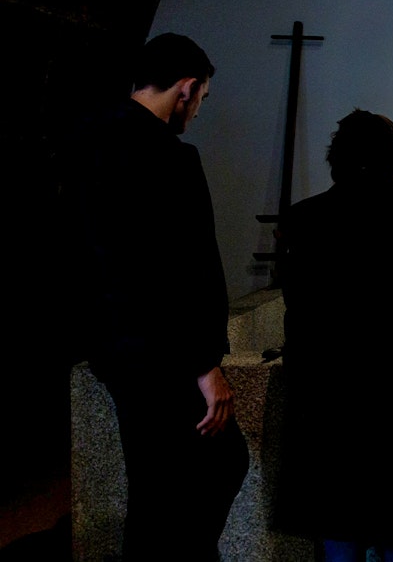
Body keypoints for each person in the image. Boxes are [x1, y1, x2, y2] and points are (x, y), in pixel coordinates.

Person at [57, 32, 249, 561]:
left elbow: (94, 256)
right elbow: (179, 270)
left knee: (156, 487)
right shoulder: (168, 157)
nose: (197, 112)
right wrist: (205, 364)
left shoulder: (84, 142)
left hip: (112, 346)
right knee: (215, 466)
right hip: (164, 353)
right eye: (202, 98)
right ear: (186, 88)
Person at [274, 108, 393, 562]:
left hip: (329, 405)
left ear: (335, 157)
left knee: (337, 531)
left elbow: (298, 309)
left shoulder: (305, 217)